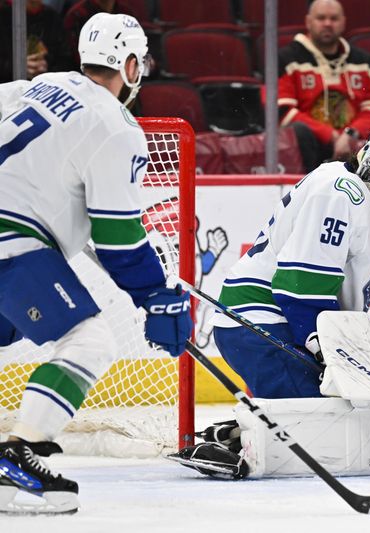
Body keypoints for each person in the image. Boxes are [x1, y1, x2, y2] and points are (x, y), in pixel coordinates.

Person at [0, 13, 192, 515]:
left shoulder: (40, 84)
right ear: (129, 65)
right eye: (140, 63)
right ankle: (14, 458)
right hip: (9, 238)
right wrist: (156, 297)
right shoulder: (115, 125)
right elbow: (119, 238)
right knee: (91, 339)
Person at [167, 125, 370, 479]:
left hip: (288, 324)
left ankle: (242, 432)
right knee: (331, 422)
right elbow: (300, 291)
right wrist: (330, 353)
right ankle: (242, 445)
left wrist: (356, 350)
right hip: (259, 322)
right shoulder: (340, 193)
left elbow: (343, 296)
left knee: (350, 413)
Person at [277, 0, 370, 172]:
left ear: (343, 22)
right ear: (308, 22)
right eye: (321, 18)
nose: (328, 24)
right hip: (311, 145)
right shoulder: (286, 59)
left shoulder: (364, 62)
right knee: (297, 131)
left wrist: (350, 134)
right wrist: (330, 135)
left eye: (334, 18)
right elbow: (282, 111)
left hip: (353, 145)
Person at [0, 0, 71, 82]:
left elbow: (66, 61)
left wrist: (46, 67)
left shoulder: (52, 17)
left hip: (45, 86)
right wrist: (16, 67)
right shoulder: (4, 15)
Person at [63, 0, 136, 71]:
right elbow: (76, 58)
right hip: (88, 74)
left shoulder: (126, 13)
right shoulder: (77, 15)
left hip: (122, 72)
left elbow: (134, 48)